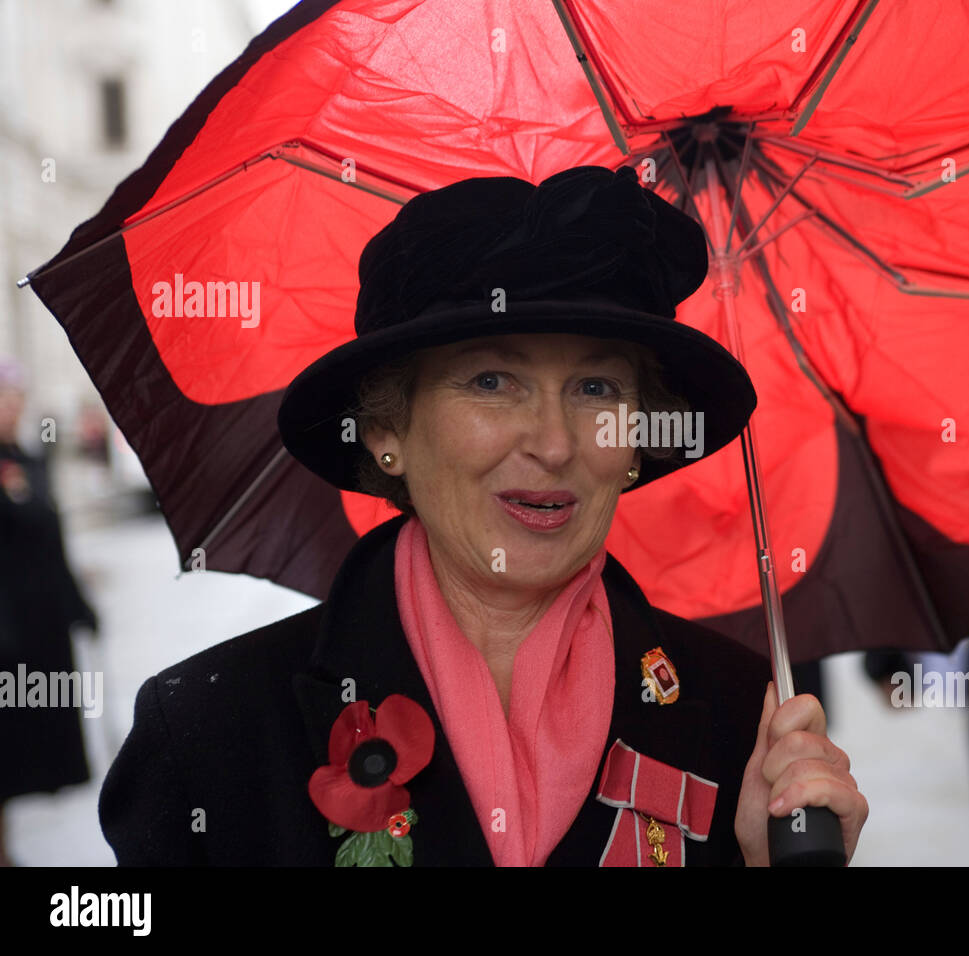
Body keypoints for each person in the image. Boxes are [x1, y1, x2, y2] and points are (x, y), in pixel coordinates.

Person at [99, 165, 868, 866]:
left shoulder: (743, 719)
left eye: (597, 389)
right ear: (386, 429)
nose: (556, 442)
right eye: (493, 380)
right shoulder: (209, 732)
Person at [0, 357, 100, 866]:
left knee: (28, 745)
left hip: (39, 629)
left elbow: (51, 543)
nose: (12, 406)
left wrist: (80, 606)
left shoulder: (27, 460)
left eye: (15, 395)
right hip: (6, 631)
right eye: (3, 396)